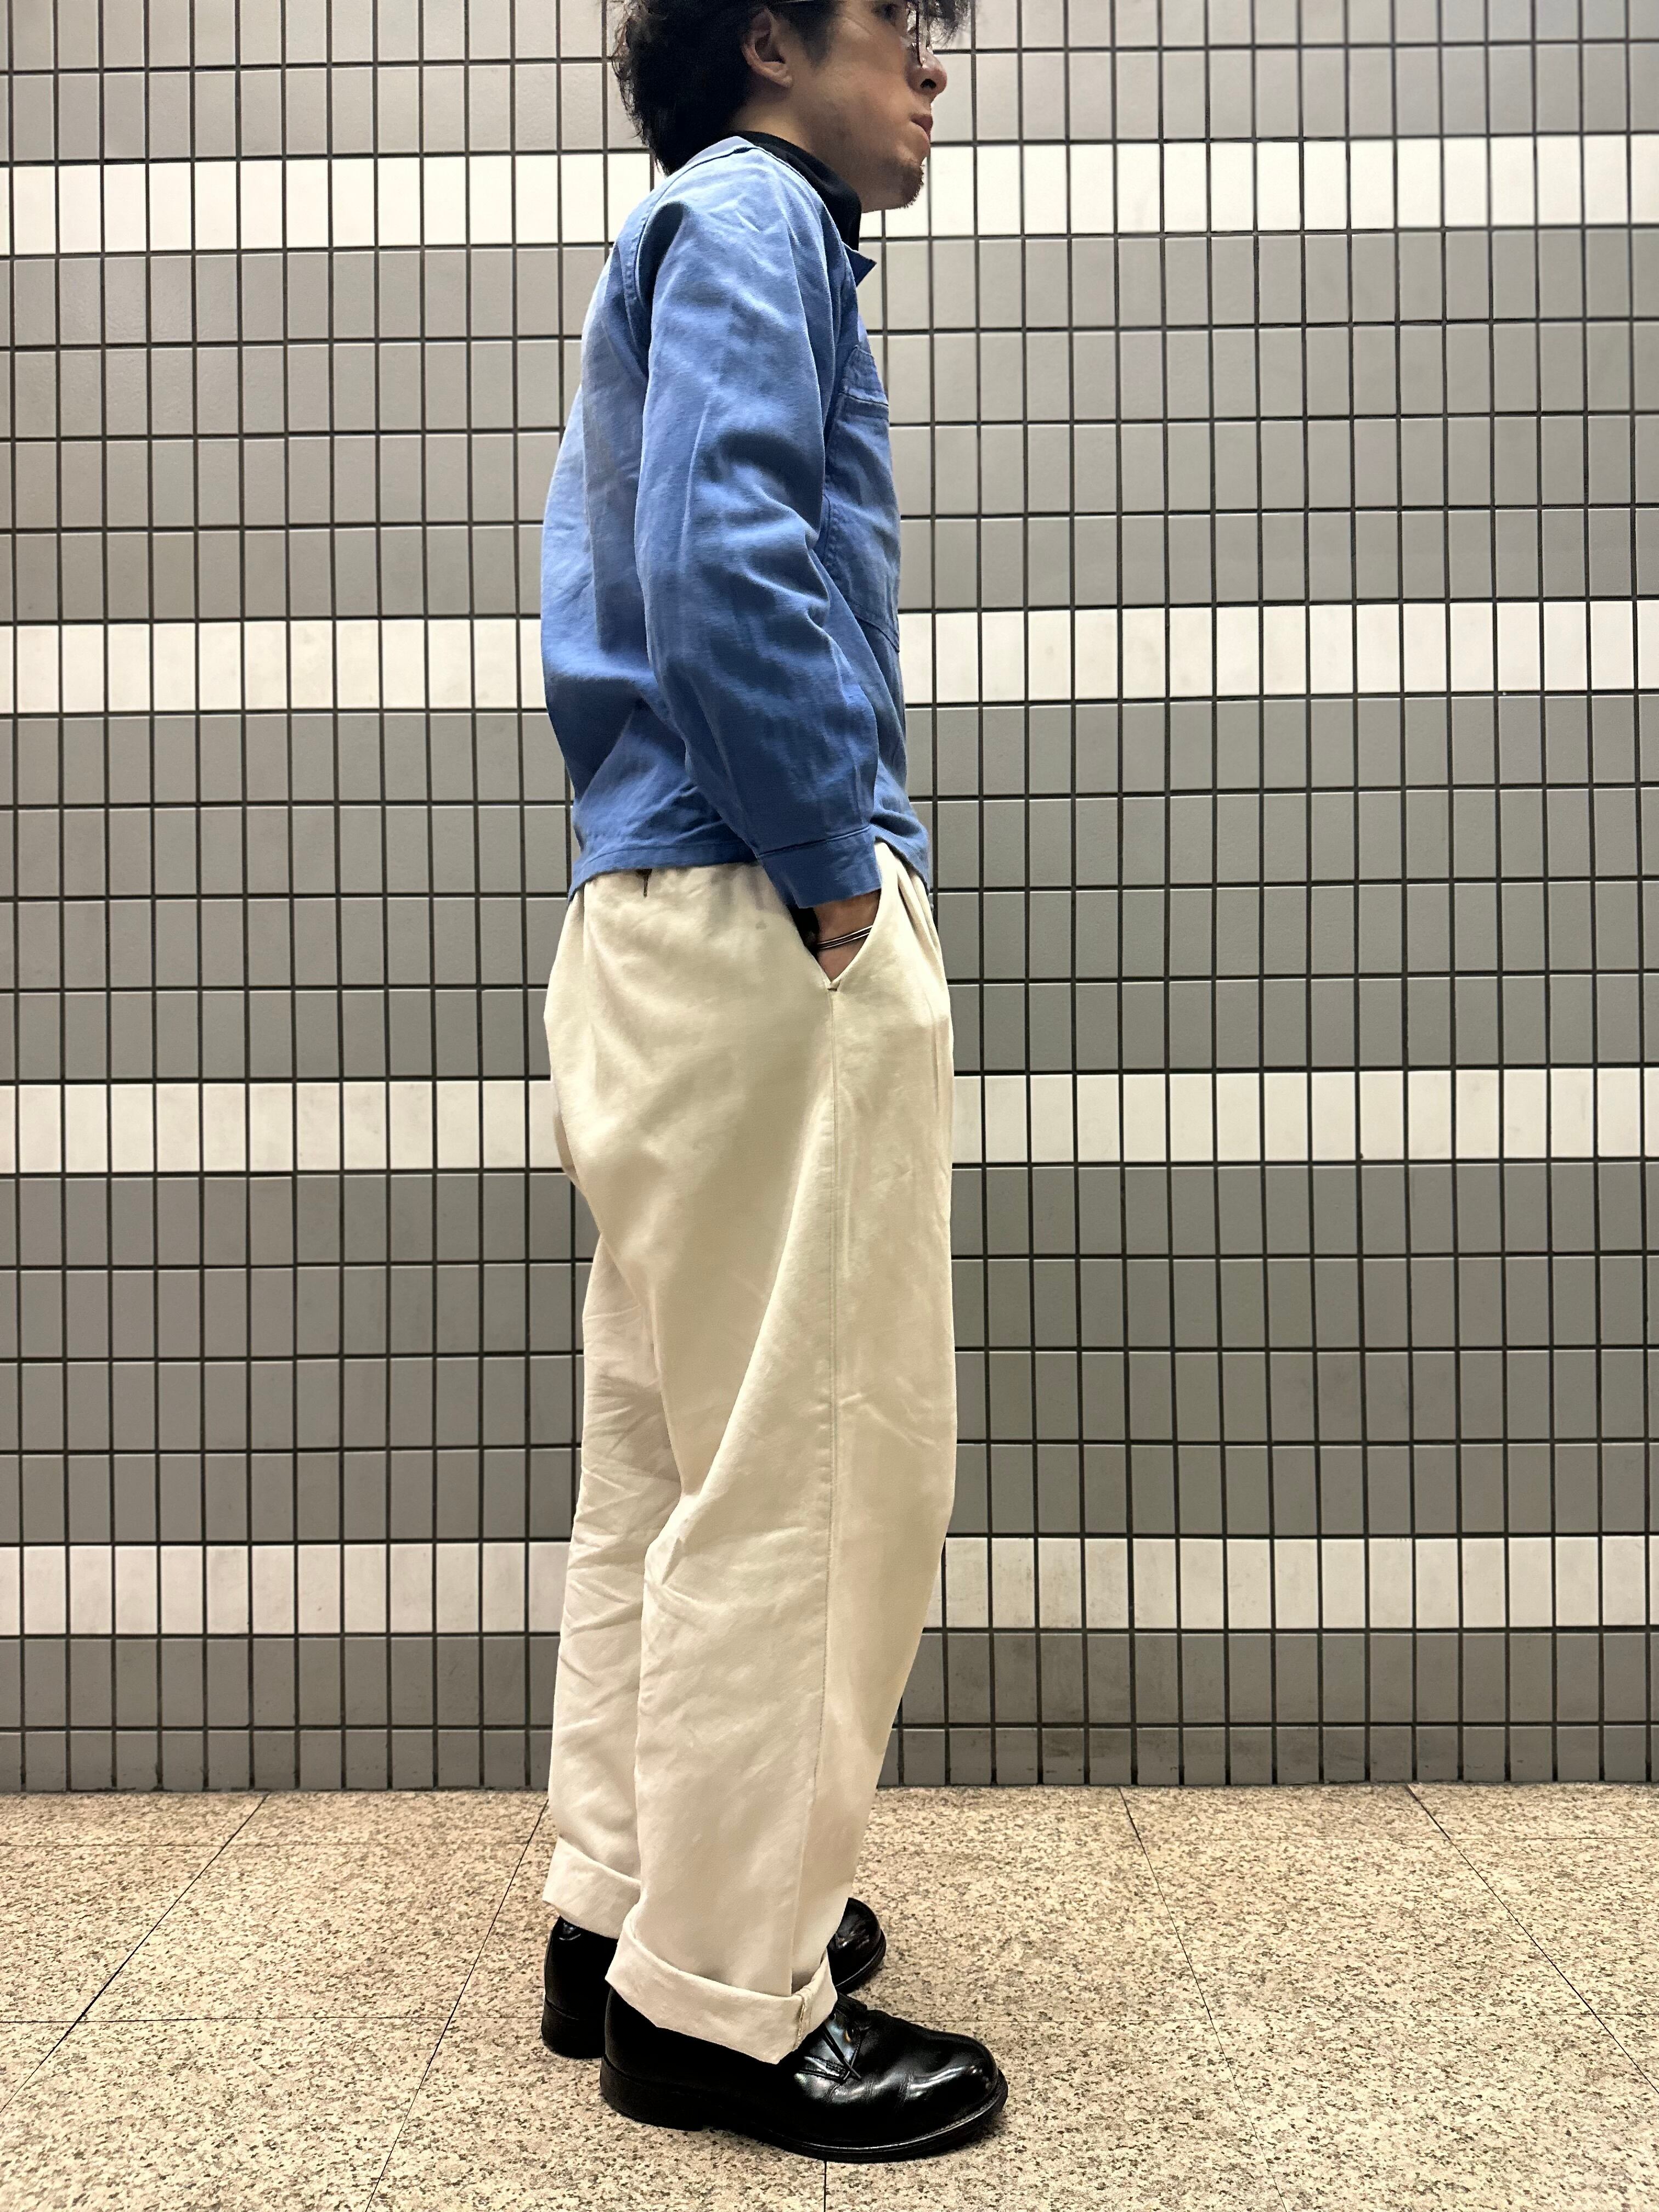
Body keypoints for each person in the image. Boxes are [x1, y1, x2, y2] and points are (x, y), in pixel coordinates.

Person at [533, 0, 1006, 2165]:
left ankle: (624, 1917)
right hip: (758, 911)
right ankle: (726, 2002)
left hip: (653, 917)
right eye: (905, 24)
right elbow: (731, 559)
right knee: (812, 1469)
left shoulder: (696, 226)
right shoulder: (759, 218)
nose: (936, 70)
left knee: (668, 1456)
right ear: (773, 42)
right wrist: (835, 868)